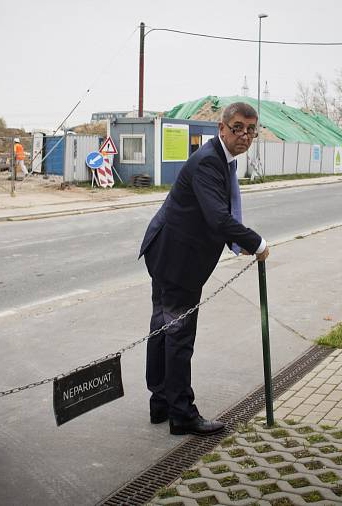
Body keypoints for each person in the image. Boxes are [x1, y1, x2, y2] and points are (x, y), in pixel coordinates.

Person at [139, 102, 269, 436]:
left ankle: (161, 402)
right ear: (221, 128)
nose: (244, 135)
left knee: (162, 328)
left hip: (169, 252)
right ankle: (181, 413)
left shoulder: (221, 160)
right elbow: (218, 218)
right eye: (238, 127)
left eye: (251, 129)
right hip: (177, 260)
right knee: (178, 335)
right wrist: (257, 244)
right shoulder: (210, 162)